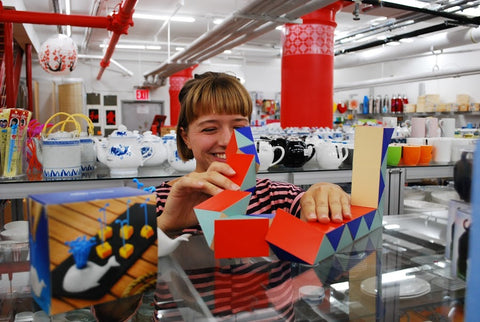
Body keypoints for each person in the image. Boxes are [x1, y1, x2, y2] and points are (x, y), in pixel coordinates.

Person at [156, 72, 351, 233]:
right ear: (186, 137)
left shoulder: (277, 197)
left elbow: (319, 217)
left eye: (239, 127)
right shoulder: (161, 201)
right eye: (209, 129)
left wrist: (326, 192)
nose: (226, 141)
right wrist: (165, 224)